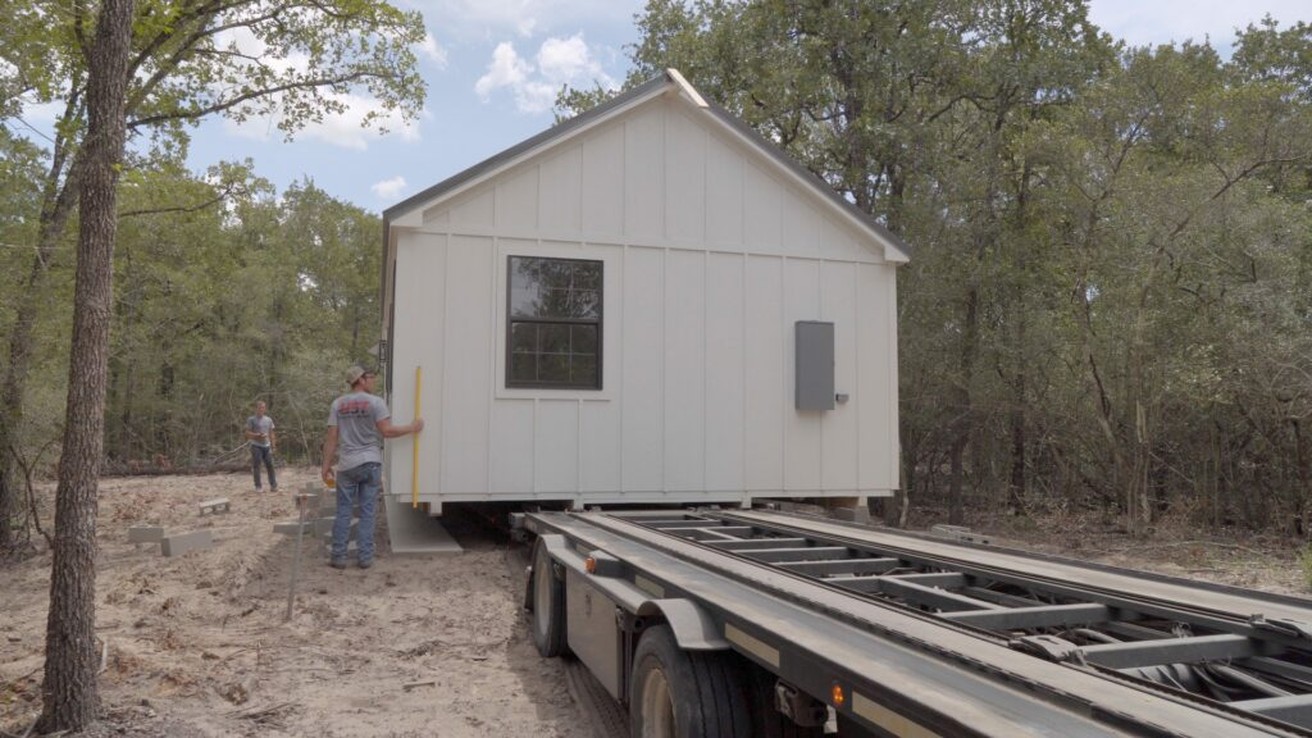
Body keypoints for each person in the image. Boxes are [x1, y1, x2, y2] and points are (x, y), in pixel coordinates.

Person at [320, 365, 423, 570]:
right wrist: (412, 428)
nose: (374, 381)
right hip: (370, 463)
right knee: (367, 512)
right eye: (371, 378)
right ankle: (365, 558)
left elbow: (332, 438)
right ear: (361, 380)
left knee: (344, 512)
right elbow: (387, 432)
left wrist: (326, 466)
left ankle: (338, 556)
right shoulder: (376, 403)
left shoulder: (338, 404)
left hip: (347, 466)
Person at [244, 400, 277, 492]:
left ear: (265, 409)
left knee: (270, 465)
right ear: (256, 408)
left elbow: (271, 433)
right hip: (256, 445)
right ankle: (258, 486)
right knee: (257, 466)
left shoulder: (268, 420)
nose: (261, 409)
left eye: (263, 408)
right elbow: (247, 433)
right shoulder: (251, 419)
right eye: (259, 408)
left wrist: (273, 446)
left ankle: (273, 485)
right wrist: (257, 435)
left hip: (266, 445)